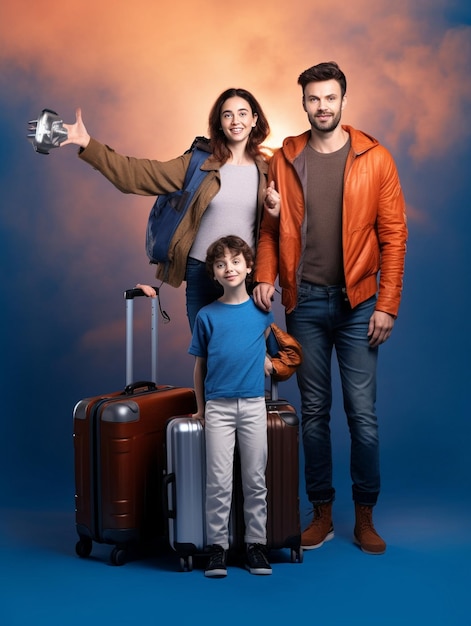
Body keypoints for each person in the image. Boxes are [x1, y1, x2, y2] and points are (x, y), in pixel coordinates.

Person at [253, 61, 408, 555]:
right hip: (305, 304)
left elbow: (394, 236)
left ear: (344, 100)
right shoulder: (285, 157)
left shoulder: (375, 157)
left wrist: (387, 303)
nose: (322, 106)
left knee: (362, 415)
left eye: (330, 98)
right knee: (314, 414)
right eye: (313, 99)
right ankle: (321, 514)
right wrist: (262, 276)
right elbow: (269, 230)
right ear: (303, 103)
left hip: (360, 304)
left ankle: (365, 516)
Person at [61, 89, 280, 330]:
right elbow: (139, 175)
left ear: (255, 119)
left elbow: (278, 228)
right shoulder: (198, 164)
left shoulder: (269, 170)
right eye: (227, 115)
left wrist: (265, 272)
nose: (236, 121)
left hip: (245, 277)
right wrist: (88, 145)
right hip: (202, 273)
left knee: (248, 358)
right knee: (206, 356)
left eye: (242, 113)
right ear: (219, 123)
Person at [189, 235, 274, 577]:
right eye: (221, 264)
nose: (230, 268)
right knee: (218, 482)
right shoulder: (207, 316)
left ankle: (256, 546)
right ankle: (217, 549)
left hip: (254, 404)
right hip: (218, 409)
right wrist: (200, 409)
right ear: (213, 273)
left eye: (236, 261)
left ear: (249, 266)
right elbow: (200, 365)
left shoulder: (262, 313)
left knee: (255, 479)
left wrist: (268, 360)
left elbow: (276, 353)